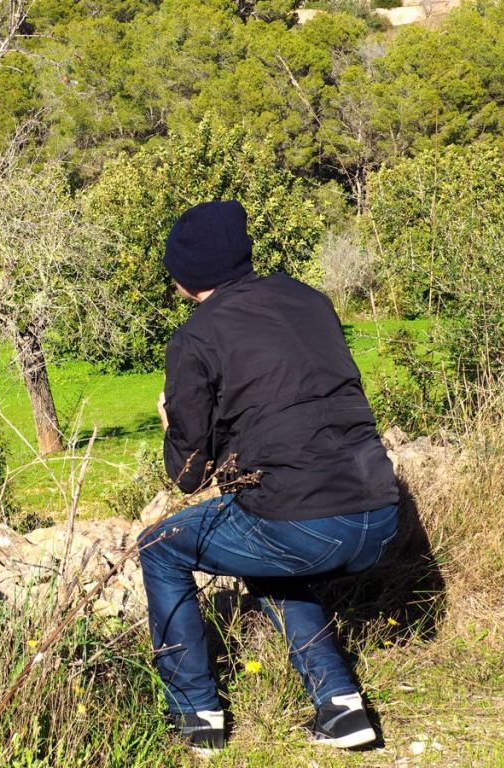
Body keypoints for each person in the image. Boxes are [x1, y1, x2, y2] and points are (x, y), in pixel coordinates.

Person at [136, 200, 400, 754]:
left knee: (160, 546)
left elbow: (186, 474)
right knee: (267, 541)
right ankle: (341, 707)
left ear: (184, 276)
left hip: (305, 520)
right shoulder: (310, 301)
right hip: (380, 511)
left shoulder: (195, 338)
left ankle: (196, 714)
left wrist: (170, 422)